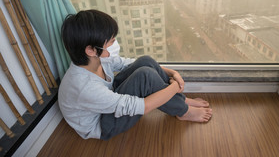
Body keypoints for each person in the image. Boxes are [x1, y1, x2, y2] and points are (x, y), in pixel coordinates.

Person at [58, 9, 212, 140]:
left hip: (109, 98)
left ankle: (180, 101)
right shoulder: (84, 87)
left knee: (145, 61)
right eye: (110, 42)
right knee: (145, 76)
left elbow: (128, 63)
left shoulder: (96, 59)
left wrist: (173, 73)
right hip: (104, 124)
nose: (114, 44)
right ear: (91, 50)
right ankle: (183, 111)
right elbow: (142, 107)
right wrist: (175, 86)